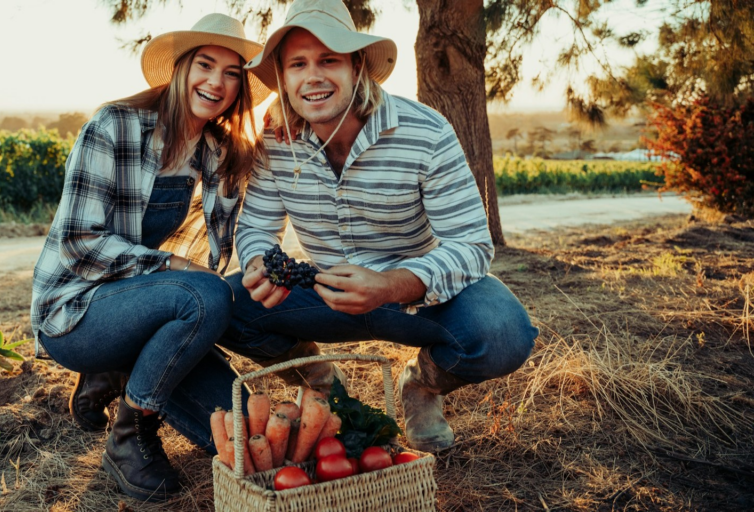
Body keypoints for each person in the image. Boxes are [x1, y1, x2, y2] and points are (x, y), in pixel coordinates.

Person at [217, 0, 539, 453]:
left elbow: (471, 245)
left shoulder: (425, 132)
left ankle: (421, 386)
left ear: (356, 67)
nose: (313, 76)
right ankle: (317, 375)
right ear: (284, 79)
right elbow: (255, 227)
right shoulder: (274, 140)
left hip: (416, 295)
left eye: (328, 60)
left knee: (503, 330)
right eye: (298, 64)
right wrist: (257, 261)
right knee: (223, 307)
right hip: (324, 290)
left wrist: (390, 285)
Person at [30, 14, 269, 501]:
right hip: (76, 311)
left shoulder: (218, 152)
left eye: (231, 74)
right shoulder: (113, 125)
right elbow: (78, 241)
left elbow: (235, 240)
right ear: (180, 69)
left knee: (247, 439)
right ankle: (128, 434)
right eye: (205, 65)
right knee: (204, 295)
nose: (216, 82)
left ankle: (125, 367)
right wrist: (173, 268)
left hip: (144, 307)